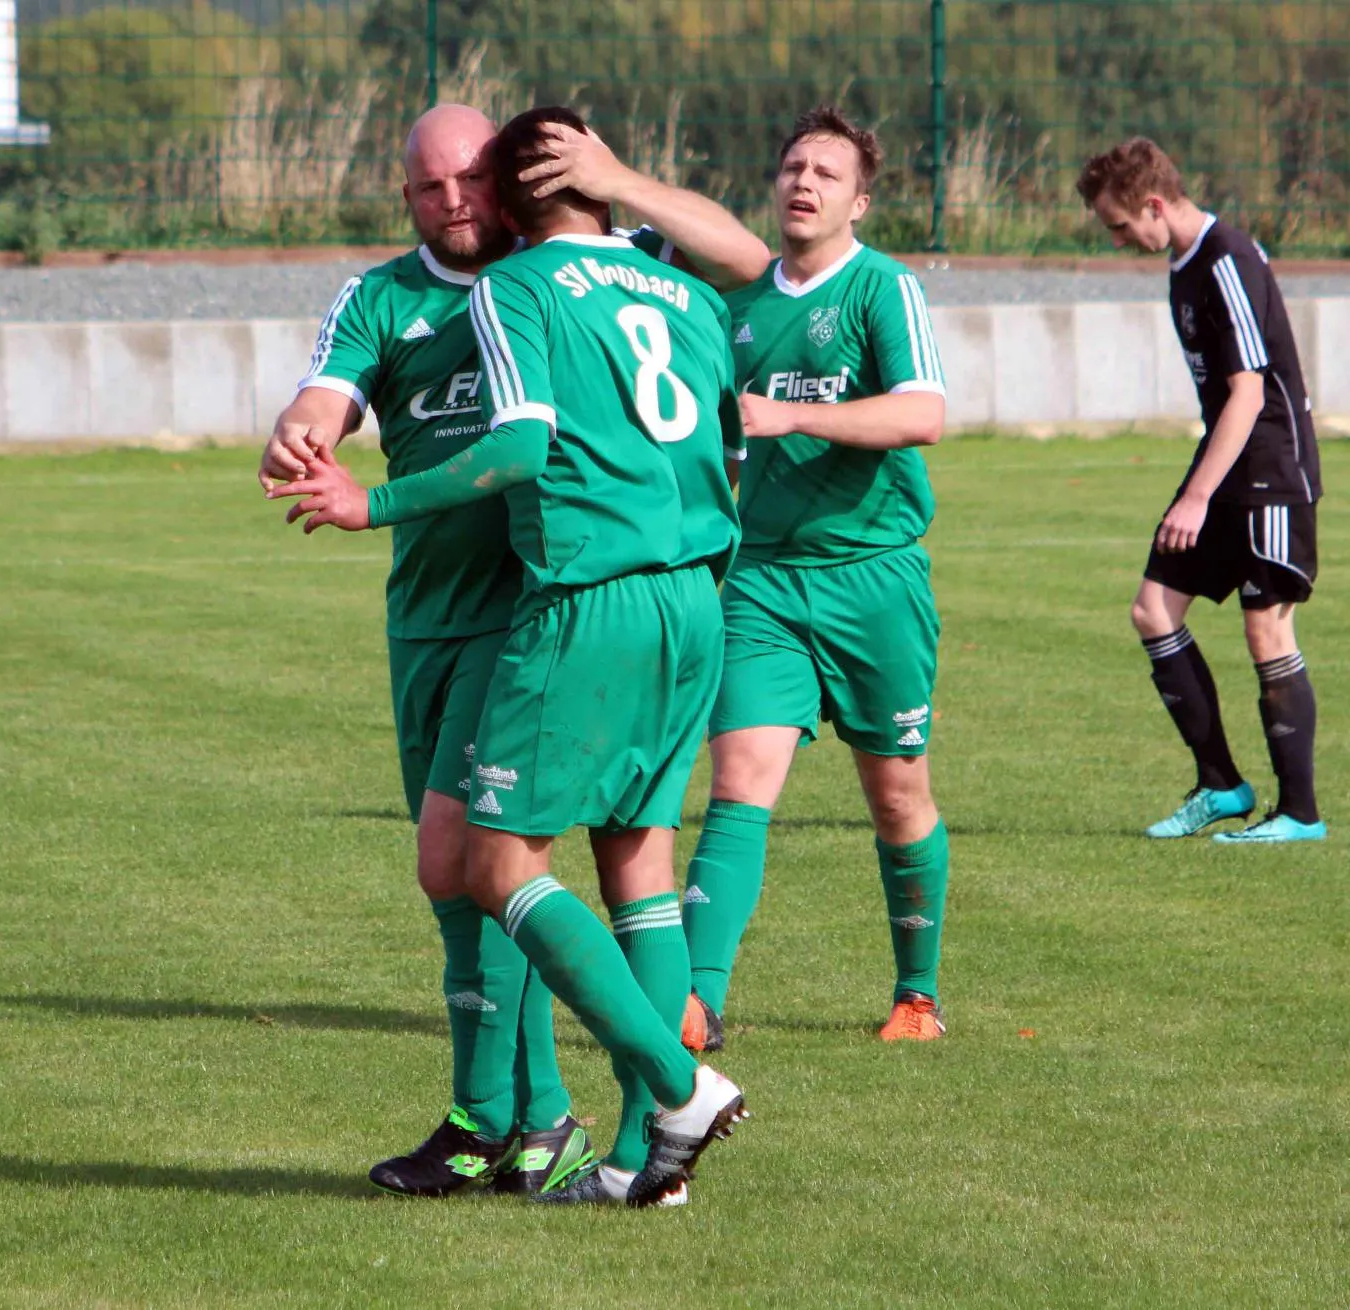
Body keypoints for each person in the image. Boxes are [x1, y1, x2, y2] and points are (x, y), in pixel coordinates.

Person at [262, 105, 767, 1199]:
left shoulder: (524, 286)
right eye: (428, 186)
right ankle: (629, 1155)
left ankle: (634, 1095)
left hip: (560, 605)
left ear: (509, 184)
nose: (453, 201)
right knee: (622, 858)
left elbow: (525, 443)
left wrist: (369, 501)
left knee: (485, 864)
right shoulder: (657, 289)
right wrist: (303, 428)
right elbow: (729, 440)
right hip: (659, 595)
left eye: (472, 179)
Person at [677, 107, 953, 1054]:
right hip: (764, 581)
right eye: (793, 167)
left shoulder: (883, 288)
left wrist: (795, 417)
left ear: (859, 201)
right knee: (739, 783)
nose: (804, 183)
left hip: (876, 581)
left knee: (897, 796)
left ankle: (917, 994)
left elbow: (923, 414)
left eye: (827, 174)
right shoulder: (738, 305)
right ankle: (694, 1006)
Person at [1075, 137, 1325, 844]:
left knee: (1266, 628)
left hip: (1270, 469)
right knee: (1153, 609)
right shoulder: (1183, 264)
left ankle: (1299, 814)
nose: (1118, 240)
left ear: (1154, 205)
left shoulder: (1227, 260)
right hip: (1225, 466)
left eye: (1121, 225)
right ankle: (1220, 784)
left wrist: (1195, 497)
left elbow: (1249, 392)